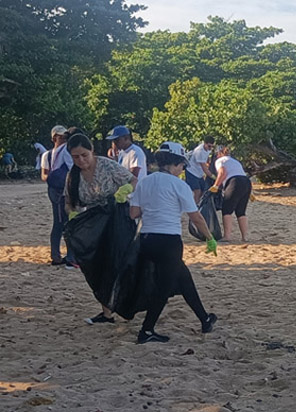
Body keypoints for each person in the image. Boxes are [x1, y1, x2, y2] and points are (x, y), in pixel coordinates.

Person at [128, 142, 218, 344]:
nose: (183, 169)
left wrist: (152, 207)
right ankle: (146, 331)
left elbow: (133, 213)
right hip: (169, 241)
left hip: (146, 239)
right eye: (182, 166)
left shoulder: (145, 182)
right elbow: (196, 218)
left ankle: (205, 319)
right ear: (175, 164)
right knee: (163, 288)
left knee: (183, 277)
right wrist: (209, 238)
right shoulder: (180, 185)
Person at [63, 133, 136, 325]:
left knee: (119, 263)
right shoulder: (73, 175)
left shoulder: (106, 165)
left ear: (92, 151)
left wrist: (125, 191)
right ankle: (107, 313)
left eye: (84, 155)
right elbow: (69, 202)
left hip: (117, 218)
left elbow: (133, 180)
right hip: (95, 223)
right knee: (97, 266)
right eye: (75, 157)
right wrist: (72, 214)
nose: (81, 160)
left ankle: (128, 303)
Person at [41, 126, 76, 267]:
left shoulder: (47, 155)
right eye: (60, 136)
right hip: (62, 191)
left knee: (58, 223)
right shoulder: (64, 152)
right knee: (65, 223)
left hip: (54, 190)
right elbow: (72, 170)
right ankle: (69, 256)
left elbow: (44, 175)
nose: (63, 139)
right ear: (54, 137)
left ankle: (56, 255)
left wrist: (52, 177)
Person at [209, 145, 252, 243]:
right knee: (241, 211)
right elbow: (241, 174)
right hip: (246, 182)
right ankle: (245, 237)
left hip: (234, 182)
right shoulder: (235, 161)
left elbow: (222, 173)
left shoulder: (220, 161)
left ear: (218, 154)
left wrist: (215, 186)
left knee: (227, 209)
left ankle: (227, 236)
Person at [185, 136, 215, 202]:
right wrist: (214, 177)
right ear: (205, 143)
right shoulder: (199, 152)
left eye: (212, 146)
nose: (210, 148)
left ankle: (197, 203)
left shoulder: (207, 149)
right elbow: (205, 169)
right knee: (197, 191)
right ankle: (194, 208)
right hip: (192, 172)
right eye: (209, 146)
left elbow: (207, 159)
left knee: (203, 190)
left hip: (199, 174)